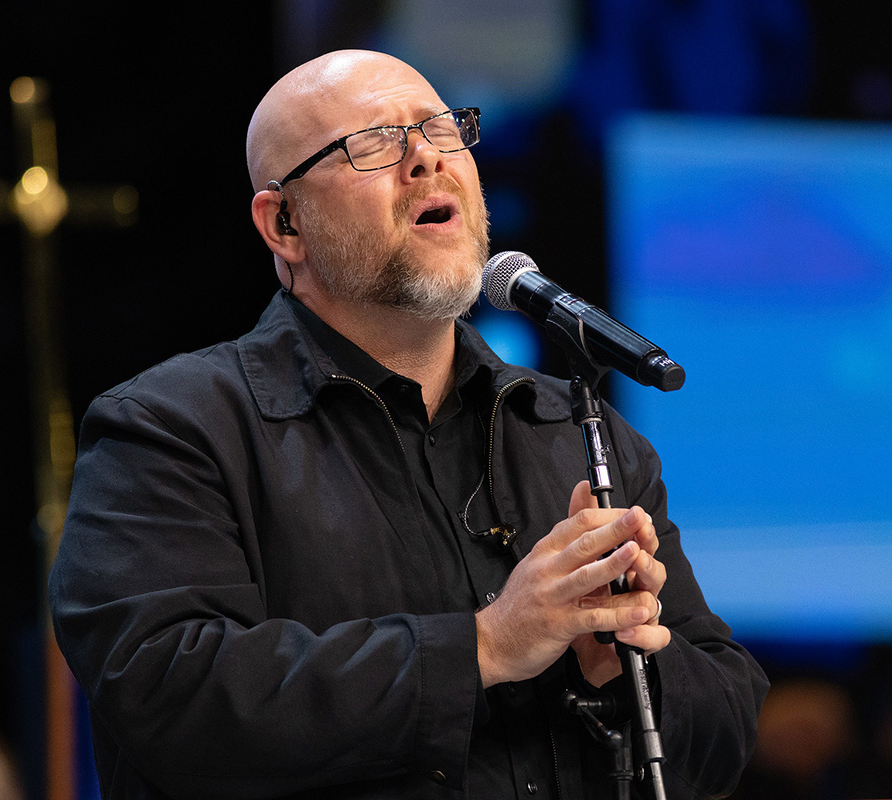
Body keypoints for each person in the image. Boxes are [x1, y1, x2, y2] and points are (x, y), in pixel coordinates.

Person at [48, 49, 767, 799]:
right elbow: (173, 698)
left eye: (442, 128)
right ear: (284, 223)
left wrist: (627, 665)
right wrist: (486, 646)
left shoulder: (579, 435)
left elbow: (724, 733)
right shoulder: (170, 431)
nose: (426, 157)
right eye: (374, 143)